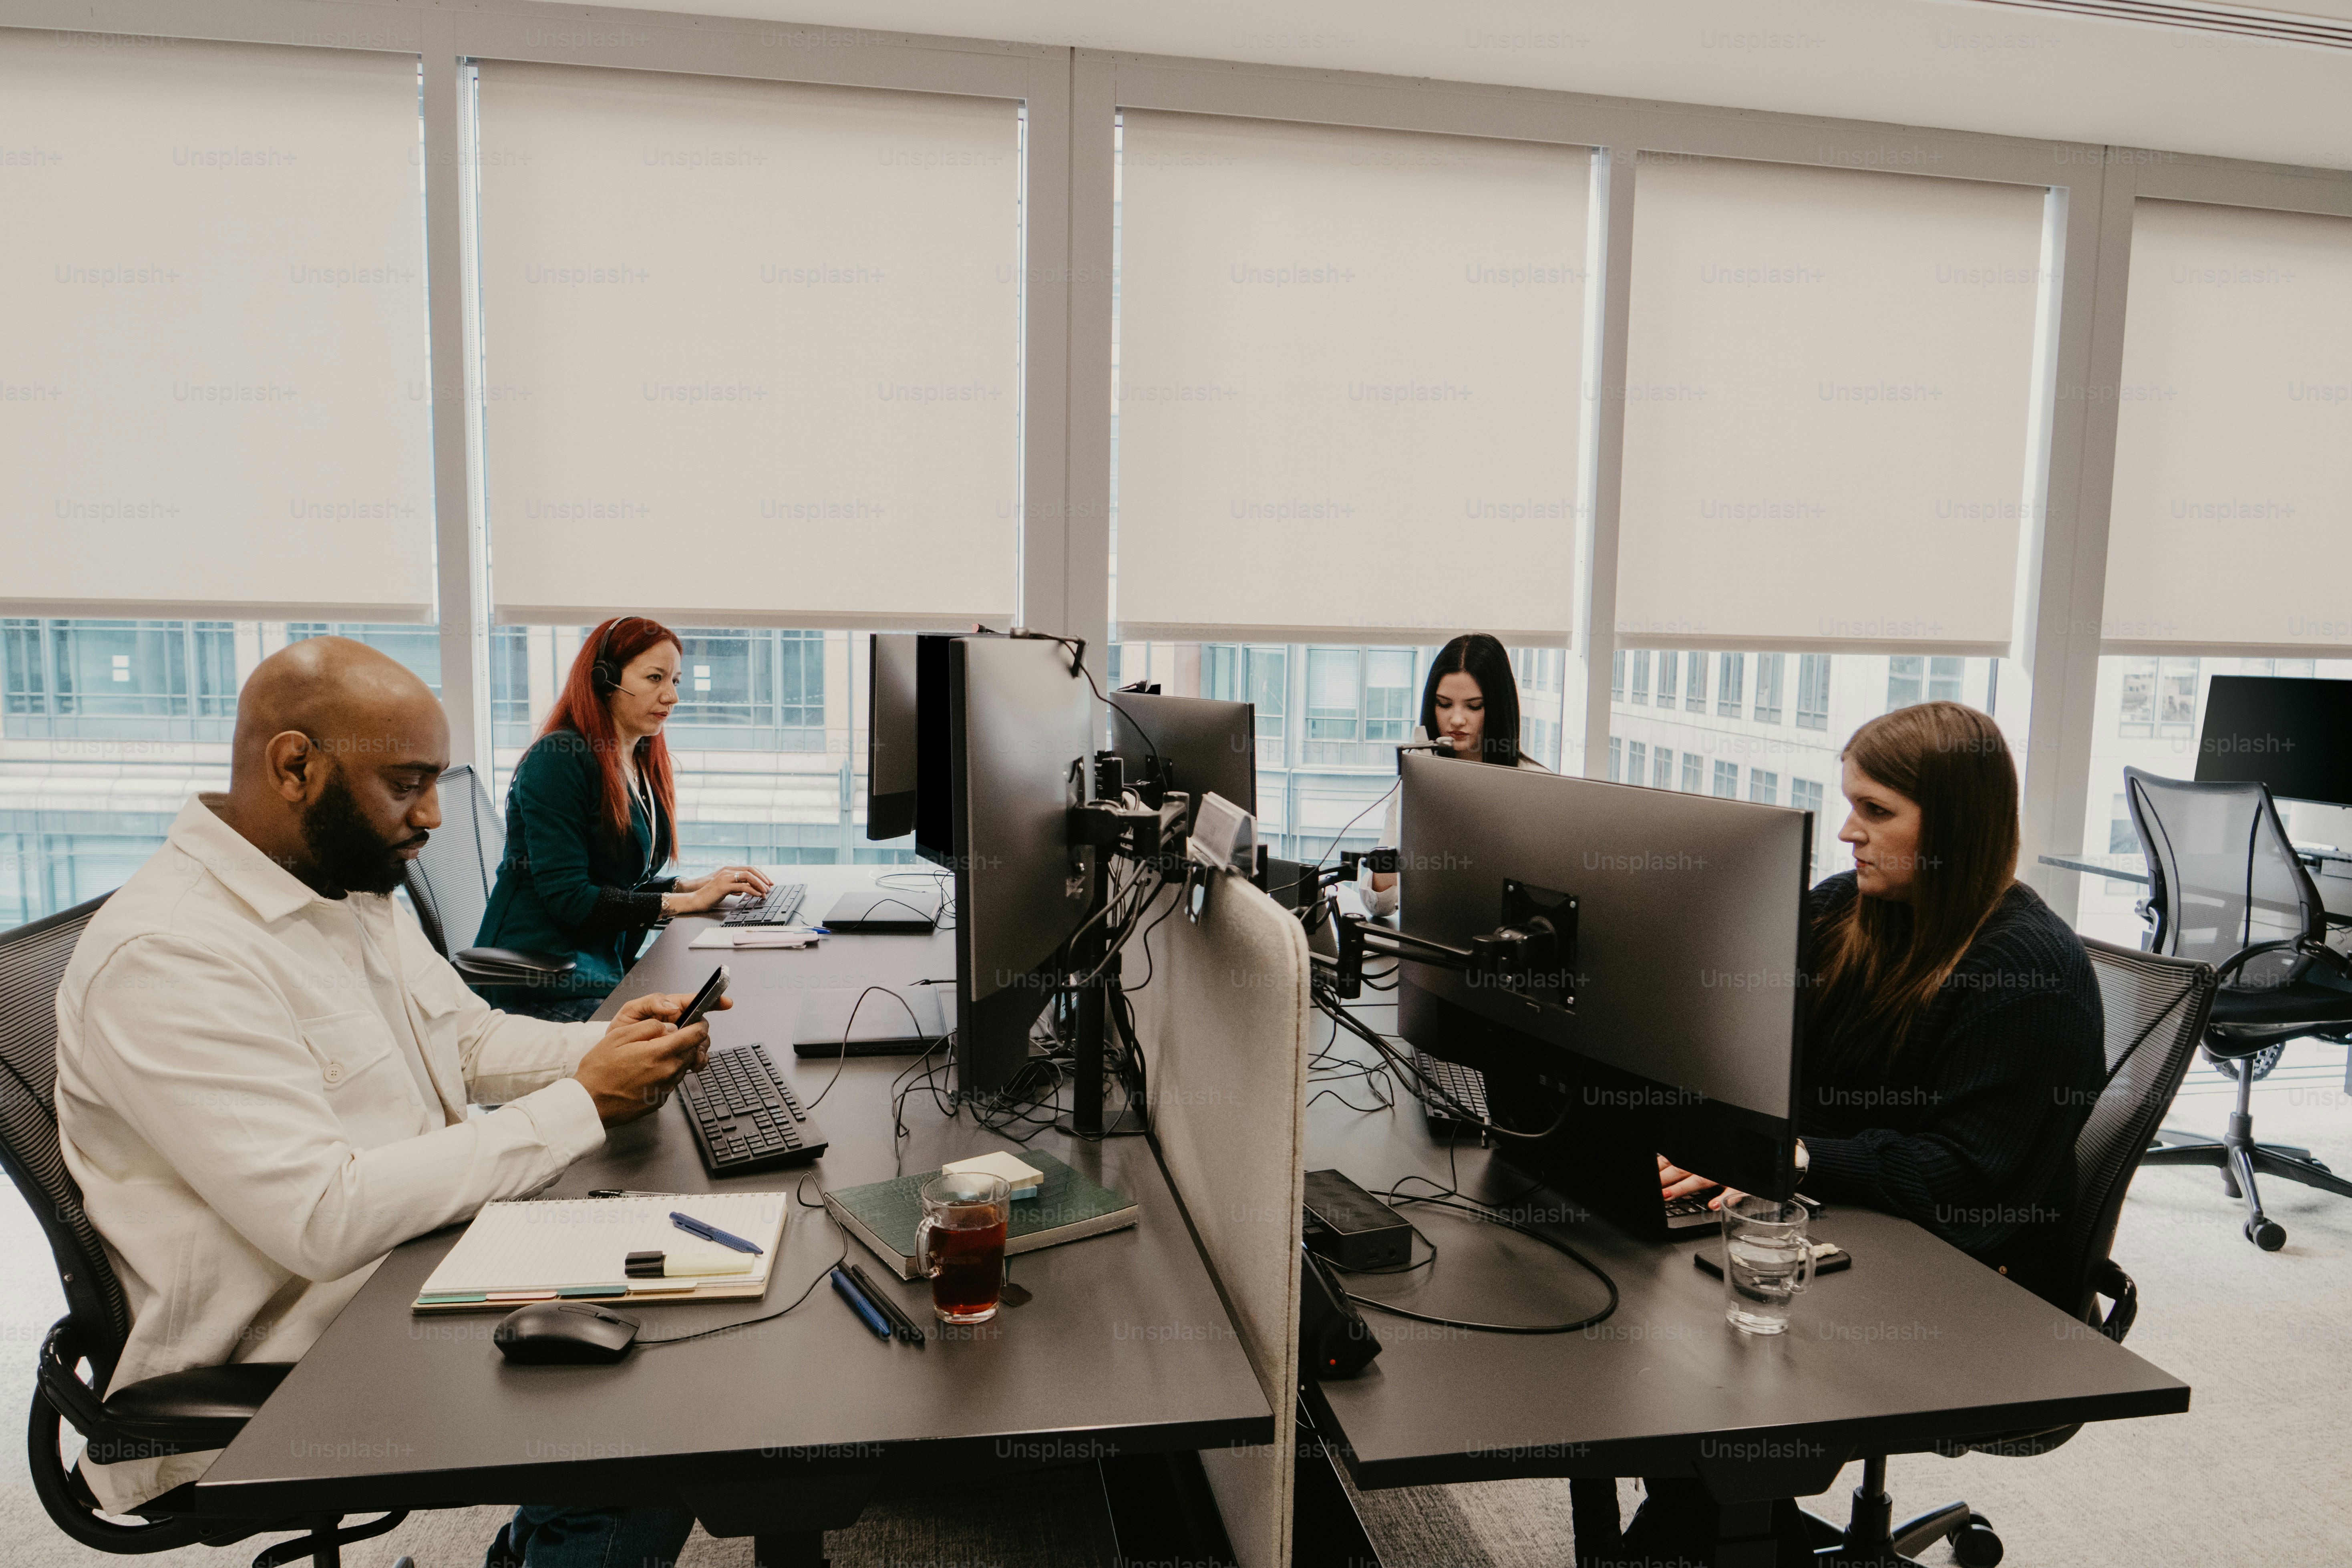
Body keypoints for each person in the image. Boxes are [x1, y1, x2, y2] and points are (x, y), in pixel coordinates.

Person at [54, 636, 722, 1566]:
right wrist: (580, 1102)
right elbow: (323, 1218)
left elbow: (469, 1038)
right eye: (408, 784)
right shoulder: (171, 953)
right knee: (650, 1408)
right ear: (296, 766)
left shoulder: (339, 883)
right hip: (304, 1346)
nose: (436, 816)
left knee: (688, 1277)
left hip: (412, 1258)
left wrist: (607, 1050)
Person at [1603, 700, 2105, 1565]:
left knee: (1703, 1376)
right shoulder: (1843, 911)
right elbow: (1748, 1045)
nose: (1847, 831)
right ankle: (1717, 1529)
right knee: (1648, 1311)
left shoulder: (2028, 975)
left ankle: (1716, 1534)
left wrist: (1793, 1157)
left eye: (1875, 810)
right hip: (1850, 1232)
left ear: (1953, 827)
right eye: (1848, 803)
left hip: (1978, 1286)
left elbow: (1964, 1180)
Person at [474, 615, 772, 1021]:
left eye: (675, 682)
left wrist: (690, 885)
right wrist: (685, 902)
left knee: (723, 1012)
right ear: (604, 679)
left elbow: (615, 881)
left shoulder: (635, 760)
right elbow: (570, 898)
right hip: (539, 982)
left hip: (598, 969)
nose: (672, 697)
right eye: (655, 678)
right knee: (680, 1040)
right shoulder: (559, 759)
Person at [1366, 632, 1547, 916]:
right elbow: (1379, 904)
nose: (1457, 719)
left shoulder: (1538, 786)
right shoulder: (1418, 774)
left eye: (1474, 706)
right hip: (1431, 938)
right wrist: (1393, 856)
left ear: (1497, 708)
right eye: (1444, 704)